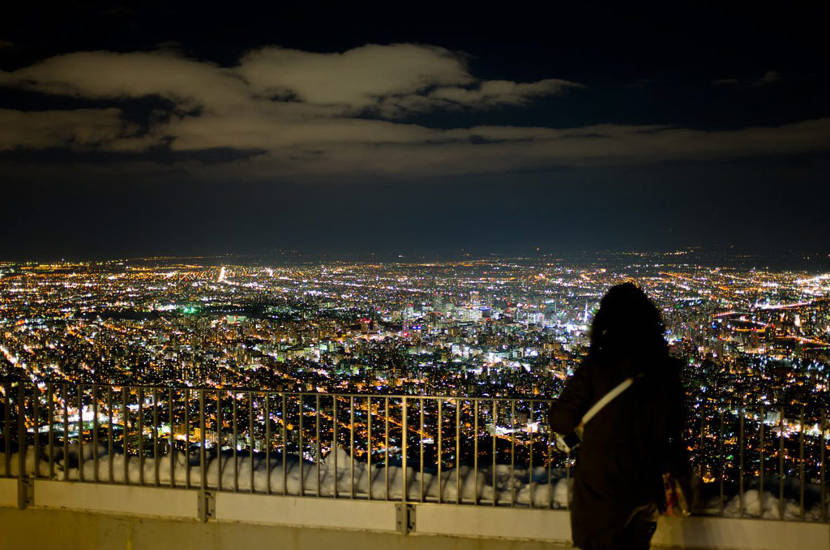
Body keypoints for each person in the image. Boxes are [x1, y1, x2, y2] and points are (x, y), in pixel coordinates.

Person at [549, 282, 689, 550]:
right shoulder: (662, 369)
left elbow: (561, 419)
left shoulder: (598, 365)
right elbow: (676, 422)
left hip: (602, 488)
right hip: (645, 484)